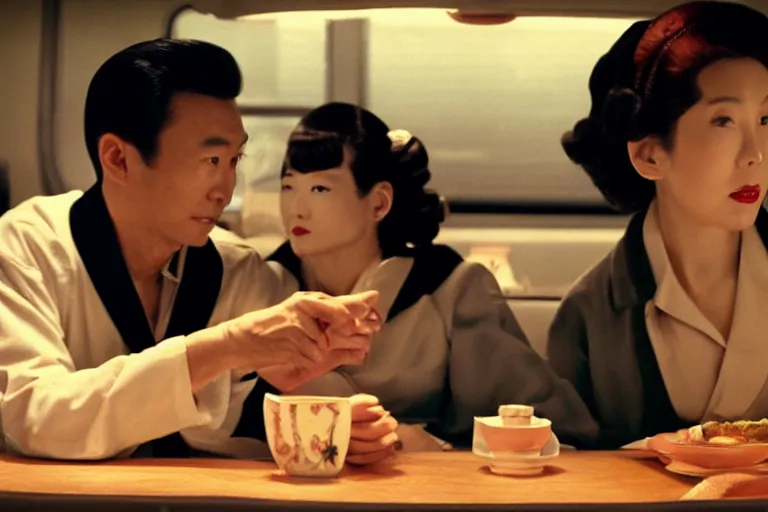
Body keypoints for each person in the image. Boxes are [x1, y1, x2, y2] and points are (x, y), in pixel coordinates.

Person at [0, 39, 397, 462]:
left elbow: (284, 404)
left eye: (234, 161)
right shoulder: (25, 250)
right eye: (210, 161)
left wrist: (341, 424)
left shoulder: (238, 269)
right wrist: (222, 348)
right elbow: (37, 417)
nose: (225, 190)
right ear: (117, 158)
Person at [265, 102, 599, 449]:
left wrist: (414, 444)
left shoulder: (448, 288)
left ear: (378, 203)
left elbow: (540, 425)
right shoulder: (265, 284)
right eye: (289, 187)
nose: (296, 208)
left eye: (320, 189)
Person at [547, 1, 768, 449]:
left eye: (766, 119)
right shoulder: (588, 315)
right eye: (723, 120)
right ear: (649, 155)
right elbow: (572, 469)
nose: (756, 154)